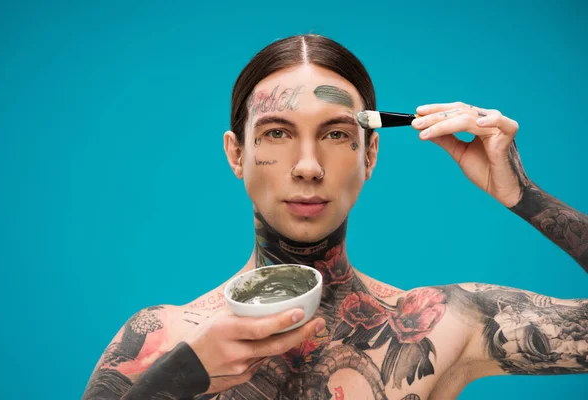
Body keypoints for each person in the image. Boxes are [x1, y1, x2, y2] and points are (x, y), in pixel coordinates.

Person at [82, 35, 588, 400]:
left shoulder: (443, 325)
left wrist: (524, 195)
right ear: (237, 154)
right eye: (277, 134)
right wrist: (176, 378)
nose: (308, 167)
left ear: (371, 154)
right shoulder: (159, 340)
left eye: (336, 134)